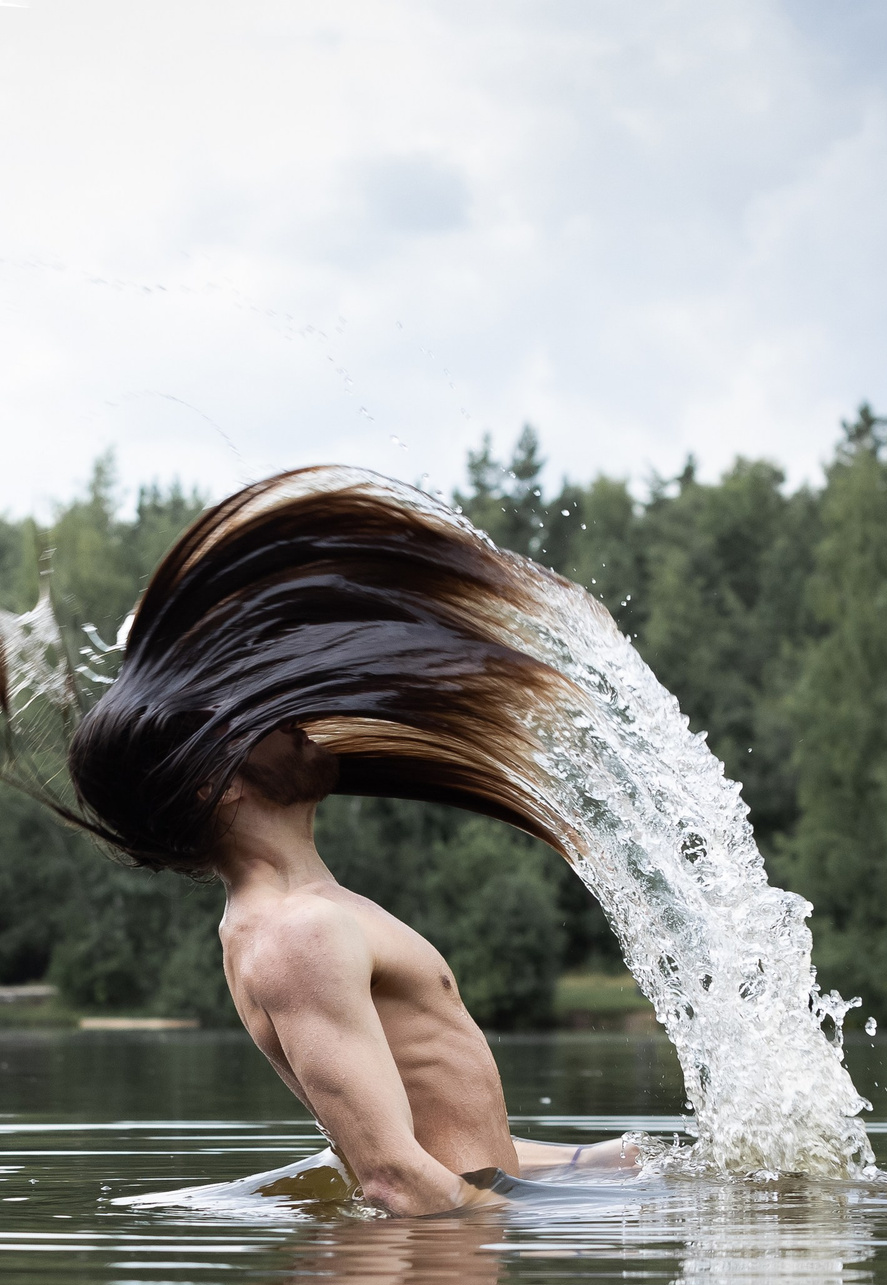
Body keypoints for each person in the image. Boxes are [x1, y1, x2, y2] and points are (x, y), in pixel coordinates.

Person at [57, 468, 635, 1215]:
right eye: (259, 713)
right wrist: (556, 1227)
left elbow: (449, 1146)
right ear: (218, 782)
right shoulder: (297, 934)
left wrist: (608, 1164)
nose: (297, 717)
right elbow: (395, 1178)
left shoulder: (292, 919)